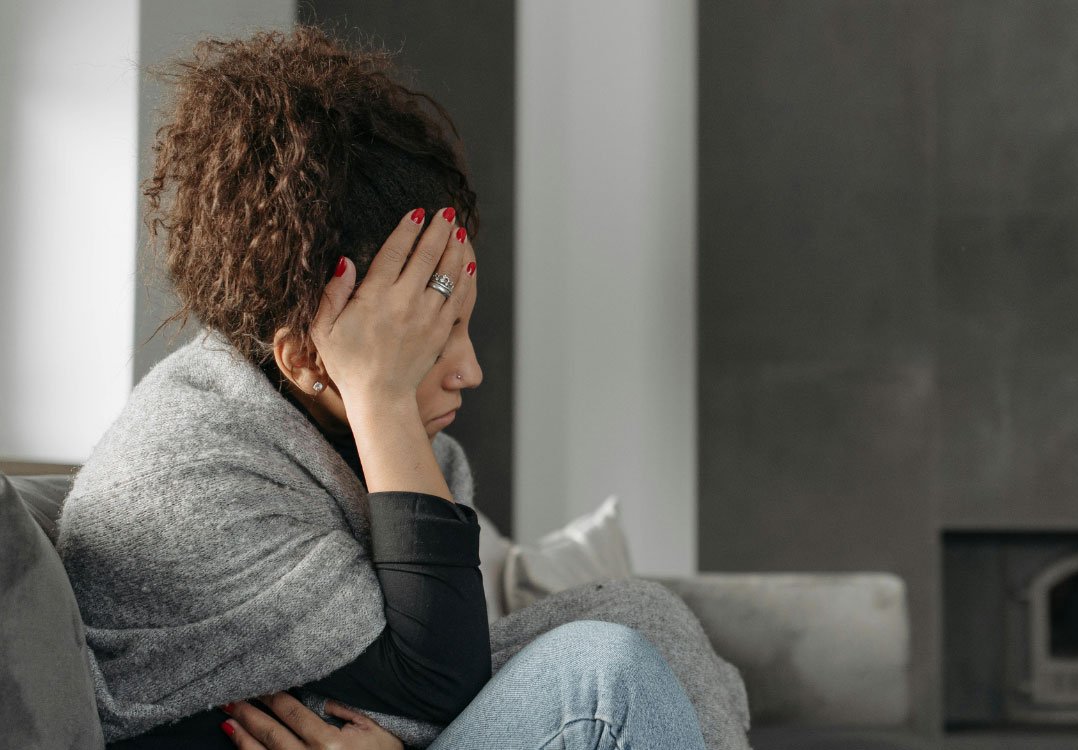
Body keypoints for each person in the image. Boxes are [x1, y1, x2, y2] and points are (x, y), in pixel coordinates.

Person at [56, 27, 747, 750]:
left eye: (463, 327)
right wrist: (382, 395)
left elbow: (439, 685)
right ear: (306, 357)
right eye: (430, 338)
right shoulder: (183, 473)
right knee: (607, 677)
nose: (470, 370)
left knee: (646, 617)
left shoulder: (380, 446)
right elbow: (440, 683)